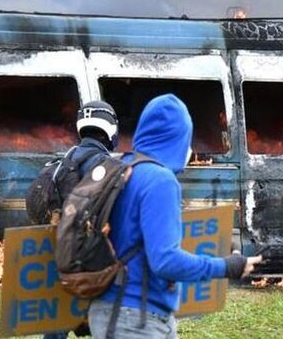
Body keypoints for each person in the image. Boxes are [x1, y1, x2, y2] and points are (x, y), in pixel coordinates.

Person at [88, 94, 262, 338]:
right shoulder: (161, 181)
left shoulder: (123, 168)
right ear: (178, 138)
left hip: (116, 311)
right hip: (135, 318)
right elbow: (165, 260)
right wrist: (226, 266)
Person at [43, 100, 120, 339]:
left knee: (59, 319)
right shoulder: (108, 165)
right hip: (95, 254)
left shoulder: (63, 161)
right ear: (110, 129)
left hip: (62, 250)